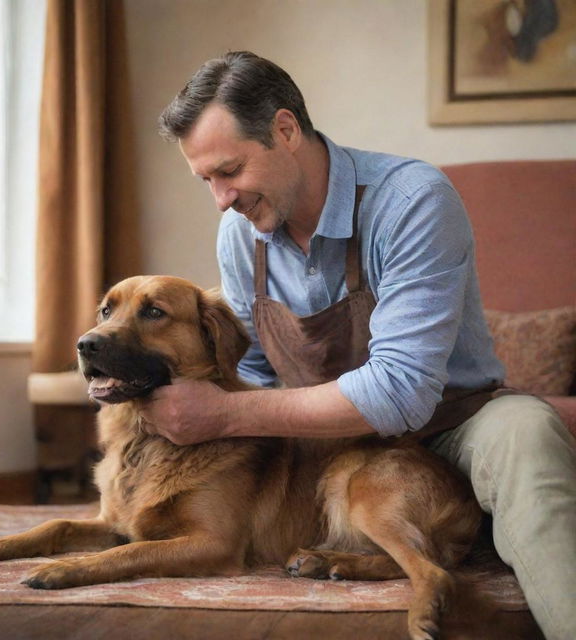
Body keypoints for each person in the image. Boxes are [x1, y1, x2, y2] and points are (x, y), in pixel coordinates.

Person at [143, 51, 575, 640]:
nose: (221, 198)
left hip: (454, 420)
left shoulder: (411, 200)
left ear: (286, 130)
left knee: (531, 434)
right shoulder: (240, 235)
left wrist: (223, 413)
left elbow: (400, 393)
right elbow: (250, 370)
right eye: (207, 181)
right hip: (324, 447)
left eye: (231, 171)